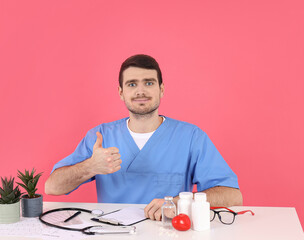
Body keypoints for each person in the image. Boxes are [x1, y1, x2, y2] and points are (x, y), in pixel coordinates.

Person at [45, 54, 243, 221]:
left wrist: (177, 202)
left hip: (169, 231)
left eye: (149, 82)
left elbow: (233, 195)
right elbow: (52, 187)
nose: (141, 91)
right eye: (132, 84)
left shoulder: (191, 137)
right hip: (113, 232)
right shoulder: (101, 136)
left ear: (161, 89)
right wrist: (90, 166)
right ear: (121, 92)